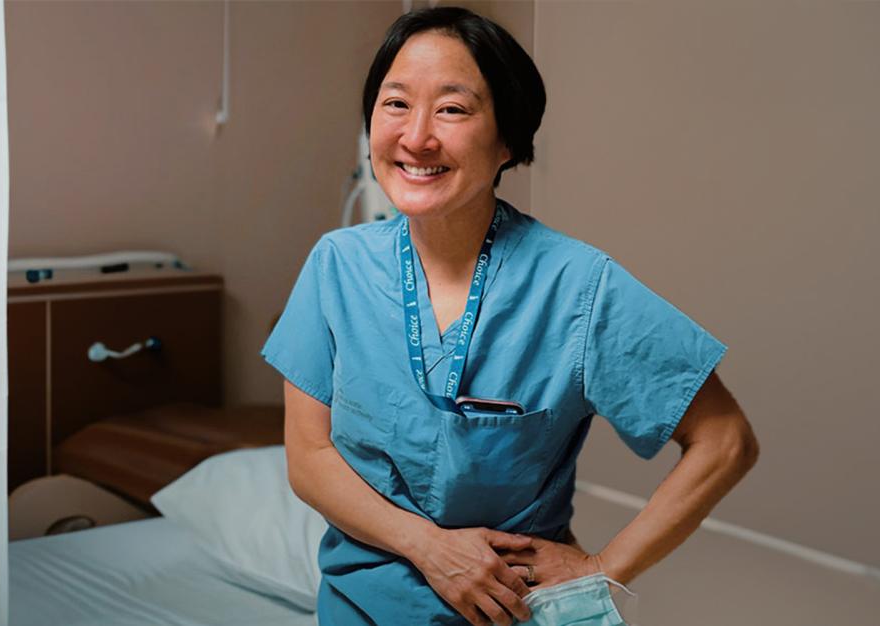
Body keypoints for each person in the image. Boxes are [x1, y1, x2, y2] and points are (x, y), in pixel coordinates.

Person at [261, 7, 759, 626]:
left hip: (514, 612)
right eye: (395, 104)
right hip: (360, 607)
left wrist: (601, 568)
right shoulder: (336, 266)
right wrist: (429, 547)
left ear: (507, 140)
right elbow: (308, 457)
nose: (416, 137)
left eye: (452, 109)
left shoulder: (578, 286)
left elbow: (725, 441)